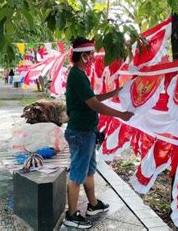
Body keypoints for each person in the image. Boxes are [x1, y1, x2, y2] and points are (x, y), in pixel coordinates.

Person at [63, 37, 134, 229]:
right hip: (81, 133)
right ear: (84, 56)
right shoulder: (77, 75)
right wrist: (121, 115)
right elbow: (93, 104)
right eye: (91, 55)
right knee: (77, 175)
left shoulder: (80, 74)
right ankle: (71, 215)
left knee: (89, 171)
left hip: (87, 132)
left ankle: (93, 205)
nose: (94, 57)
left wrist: (115, 92)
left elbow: (91, 97)